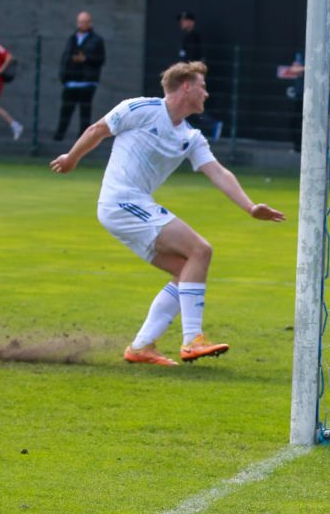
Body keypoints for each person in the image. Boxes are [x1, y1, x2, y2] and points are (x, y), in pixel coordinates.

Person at [49, 61, 285, 366]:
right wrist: (72, 157)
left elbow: (218, 172)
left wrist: (250, 207)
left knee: (186, 268)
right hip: (121, 201)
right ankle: (192, 340)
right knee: (200, 249)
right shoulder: (141, 108)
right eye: (202, 86)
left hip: (130, 206)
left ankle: (141, 346)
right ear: (186, 85)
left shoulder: (191, 136)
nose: (207, 94)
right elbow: (98, 130)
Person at [53, 11, 106, 141]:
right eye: (80, 22)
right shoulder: (72, 39)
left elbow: (101, 59)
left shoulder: (97, 40)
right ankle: (58, 138)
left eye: (85, 22)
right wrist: (63, 76)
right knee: (66, 110)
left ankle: (83, 140)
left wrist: (85, 59)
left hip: (87, 82)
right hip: (71, 81)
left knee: (85, 113)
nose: (82, 24)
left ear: (90, 23)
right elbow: (65, 58)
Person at [175, 11, 222, 140]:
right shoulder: (188, 37)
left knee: (188, 104)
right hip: (188, 78)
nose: (182, 23)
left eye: (184, 20)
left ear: (191, 22)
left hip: (190, 78)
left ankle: (212, 125)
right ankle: (183, 132)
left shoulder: (193, 38)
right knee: (185, 105)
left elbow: (192, 61)